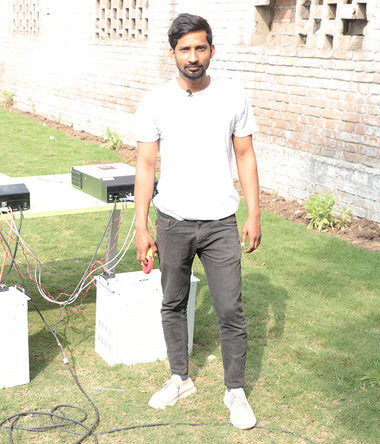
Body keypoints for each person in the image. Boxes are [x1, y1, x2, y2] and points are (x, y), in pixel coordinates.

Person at [133, 13, 261, 430]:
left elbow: (245, 155)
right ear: (172, 53)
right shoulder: (155, 102)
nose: (193, 57)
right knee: (172, 302)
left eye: (200, 48)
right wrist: (141, 224)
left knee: (229, 308)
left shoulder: (233, 96)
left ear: (211, 50)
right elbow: (145, 164)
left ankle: (235, 390)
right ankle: (179, 378)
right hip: (172, 221)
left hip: (221, 223)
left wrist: (254, 212)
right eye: (185, 49)